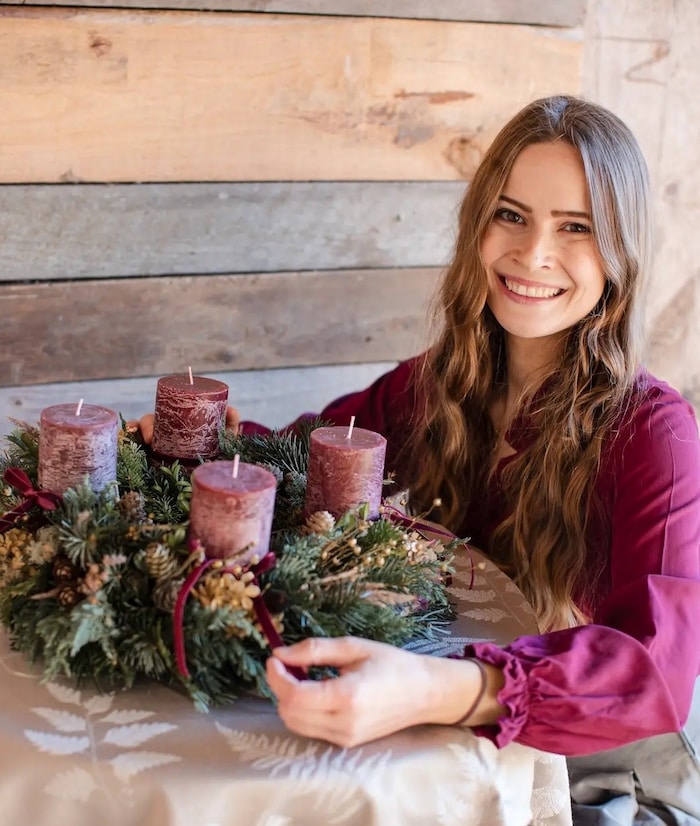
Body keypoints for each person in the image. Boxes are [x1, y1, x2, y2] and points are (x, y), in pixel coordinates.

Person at [135, 95, 700, 824]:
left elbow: (657, 670)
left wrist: (437, 689)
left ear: (621, 252)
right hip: (443, 747)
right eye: (512, 215)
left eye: (576, 228)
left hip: (610, 778)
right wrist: (201, 448)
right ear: (477, 225)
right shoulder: (440, 383)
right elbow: (314, 449)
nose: (533, 255)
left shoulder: (653, 431)